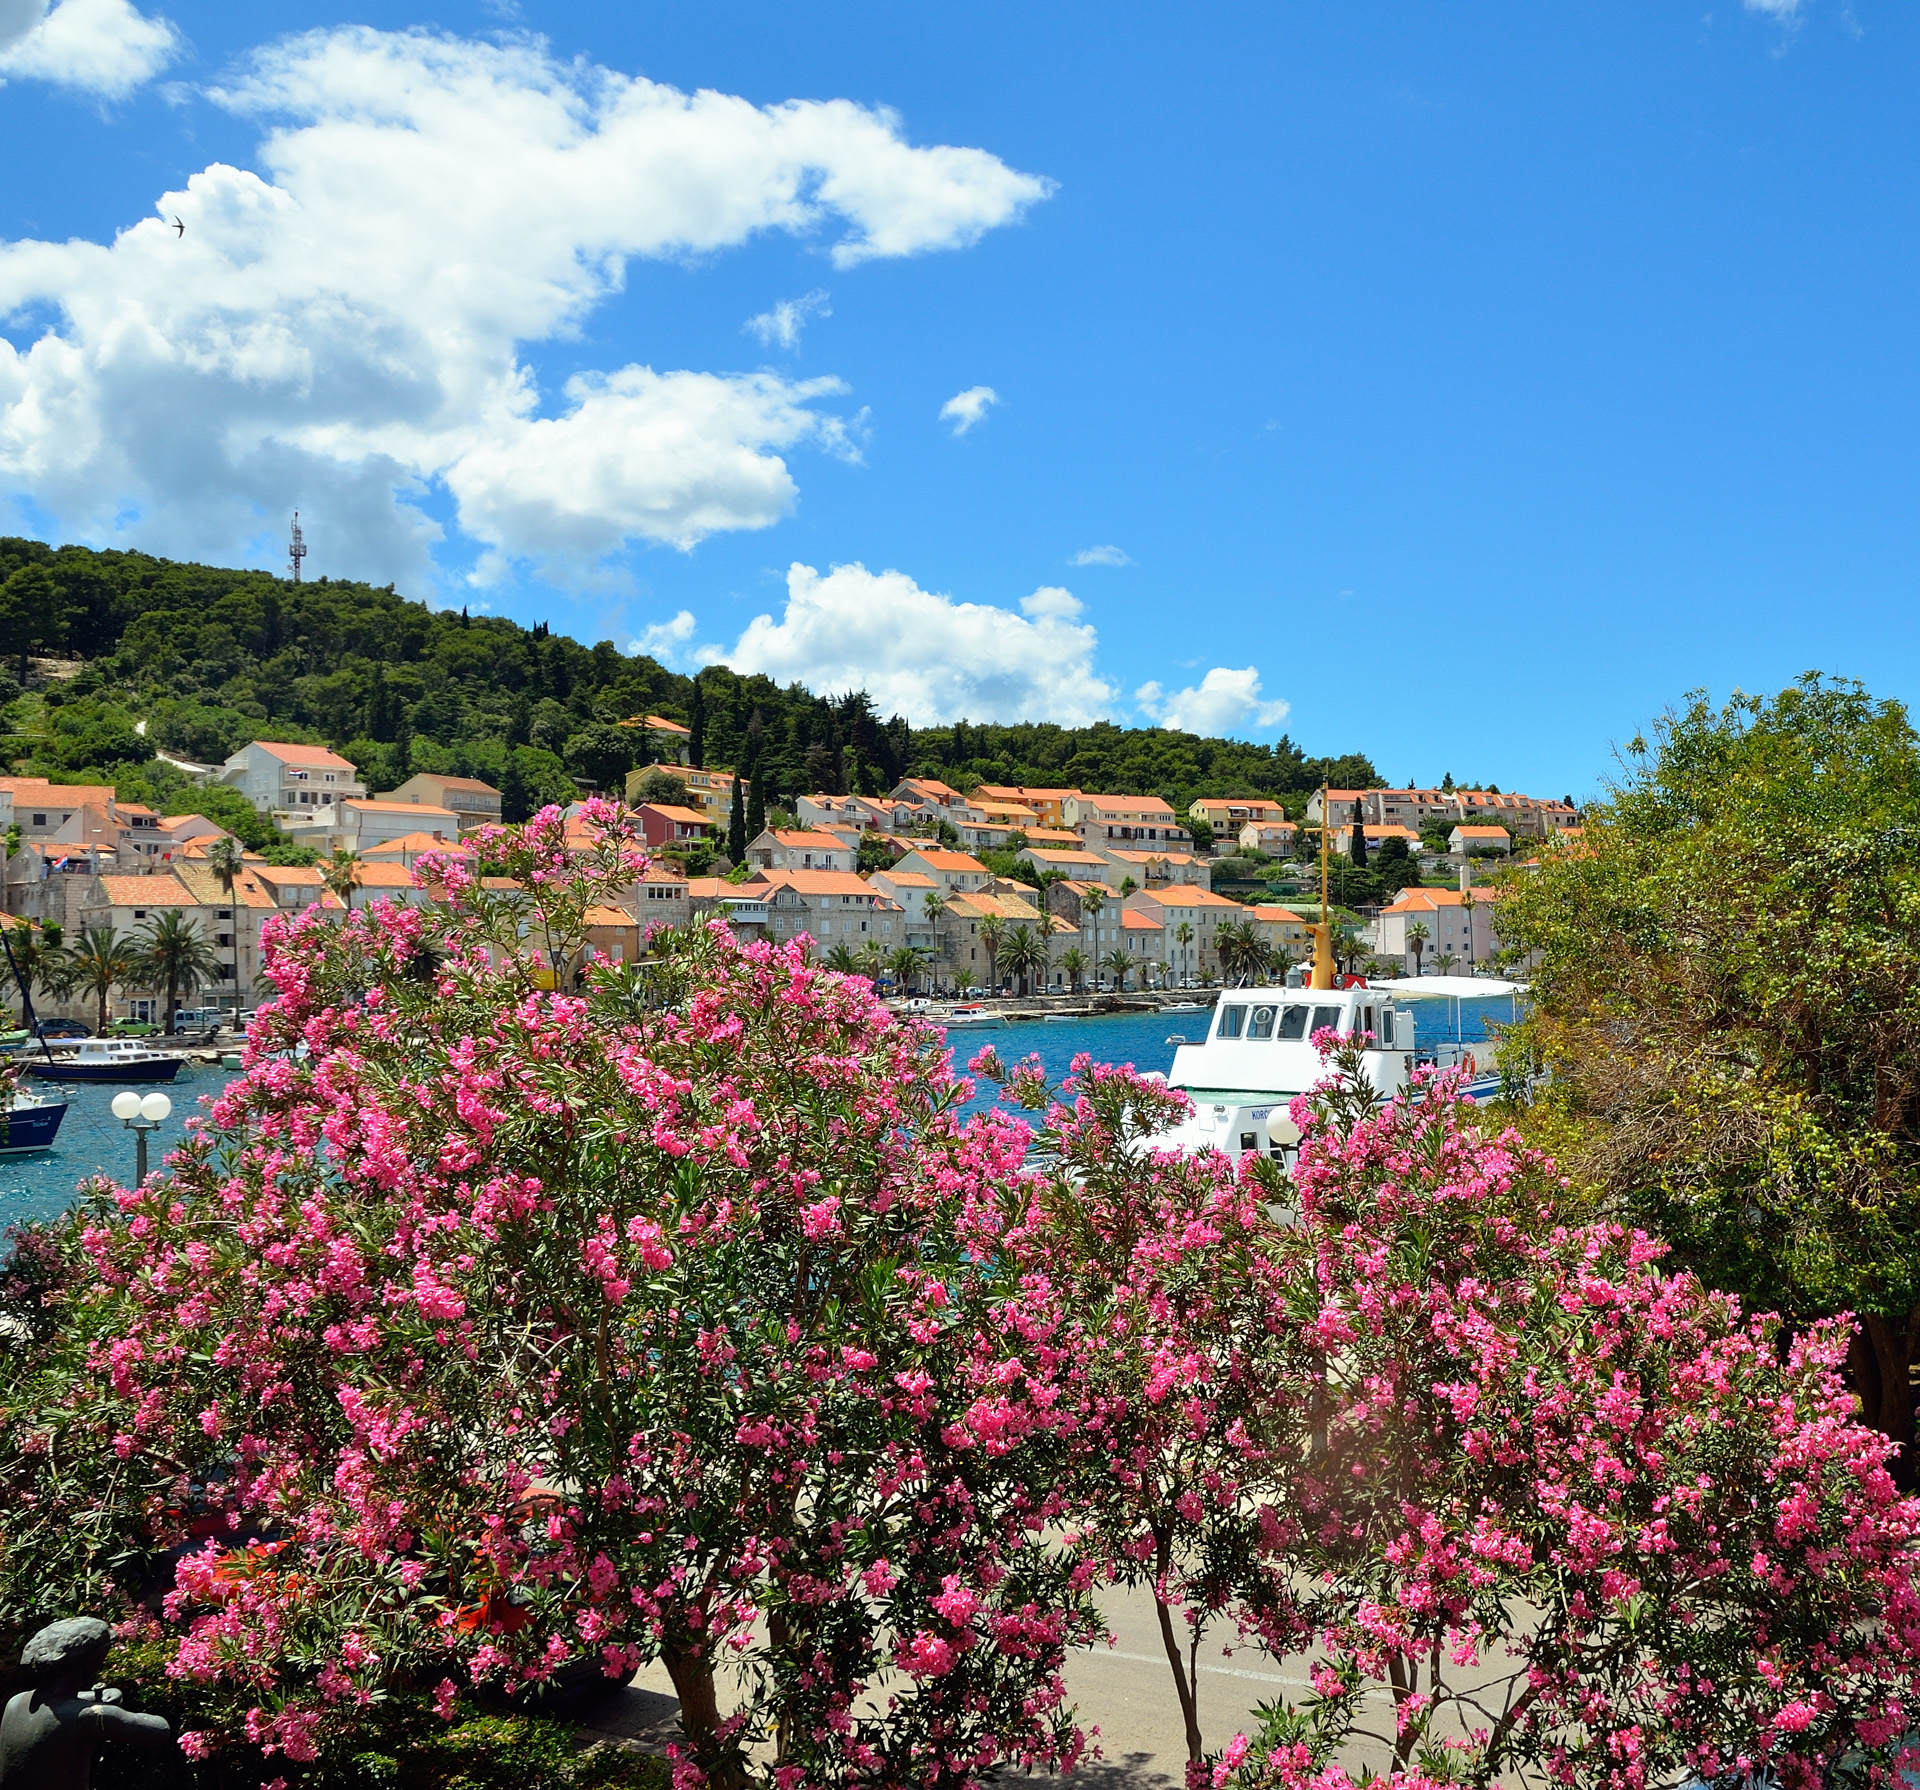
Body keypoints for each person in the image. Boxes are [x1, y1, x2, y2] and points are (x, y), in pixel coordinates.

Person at [0, 1618, 171, 1789]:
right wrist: (106, 1709)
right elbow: (160, 1730)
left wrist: (99, 1695)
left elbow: (62, 1703)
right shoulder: (87, 1717)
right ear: (90, 1663)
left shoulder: (15, 1702)